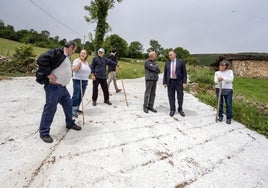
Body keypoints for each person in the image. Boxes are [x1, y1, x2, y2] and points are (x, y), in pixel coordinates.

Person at [36, 41, 81, 143]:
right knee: (50, 108)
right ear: (71, 47)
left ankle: (70, 123)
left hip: (62, 88)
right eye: (74, 50)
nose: (74, 52)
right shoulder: (57, 52)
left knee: (68, 104)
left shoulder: (67, 57)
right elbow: (41, 59)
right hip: (53, 87)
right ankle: (44, 132)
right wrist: (48, 74)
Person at [163, 50, 187, 117]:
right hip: (170, 82)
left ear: (175, 55)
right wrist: (164, 82)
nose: (169, 56)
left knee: (180, 96)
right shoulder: (167, 63)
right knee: (171, 97)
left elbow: (184, 73)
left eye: (171, 54)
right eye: (169, 55)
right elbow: (165, 73)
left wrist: (184, 82)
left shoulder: (181, 62)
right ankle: (172, 109)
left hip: (179, 82)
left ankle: (180, 109)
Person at [71, 49, 91, 116]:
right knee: (76, 95)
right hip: (77, 79)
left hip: (85, 80)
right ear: (79, 54)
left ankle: (76, 108)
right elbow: (73, 70)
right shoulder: (77, 60)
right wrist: (79, 64)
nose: (82, 54)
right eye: (81, 53)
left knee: (81, 95)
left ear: (86, 55)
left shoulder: (86, 62)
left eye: (84, 53)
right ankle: (72, 110)